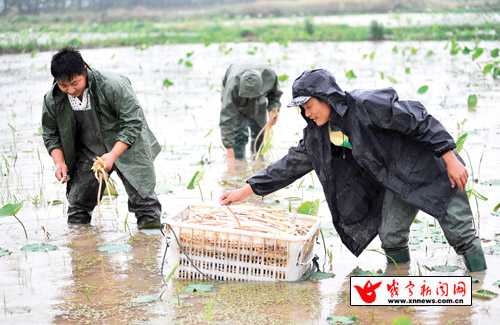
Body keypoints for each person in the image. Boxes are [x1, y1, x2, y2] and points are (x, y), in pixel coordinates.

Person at [220, 69, 487, 272]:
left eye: (309, 105)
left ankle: (477, 289)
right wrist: (247, 189)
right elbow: (292, 164)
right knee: (391, 236)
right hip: (397, 182)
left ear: (326, 97)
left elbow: (419, 119)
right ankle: (397, 292)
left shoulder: (367, 105)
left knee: (461, 235)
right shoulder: (319, 134)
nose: (307, 113)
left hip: (431, 167)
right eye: (302, 109)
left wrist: (450, 158)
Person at [41, 48, 162, 229]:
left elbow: (133, 123)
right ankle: (83, 251)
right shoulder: (53, 99)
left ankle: (147, 252)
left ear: (84, 69)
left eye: (75, 83)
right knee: (77, 208)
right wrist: (60, 163)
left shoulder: (113, 85)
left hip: (127, 146)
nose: (71, 90)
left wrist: (112, 155)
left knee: (145, 205)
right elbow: (50, 133)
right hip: (90, 151)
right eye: (64, 85)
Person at [219, 63, 283, 160]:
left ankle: (258, 159)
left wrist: (273, 109)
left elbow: (274, 95)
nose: (250, 99)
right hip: (237, 98)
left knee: (260, 130)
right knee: (239, 135)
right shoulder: (232, 86)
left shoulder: (269, 77)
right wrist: (229, 149)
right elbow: (227, 119)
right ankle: (239, 160)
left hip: (259, 99)